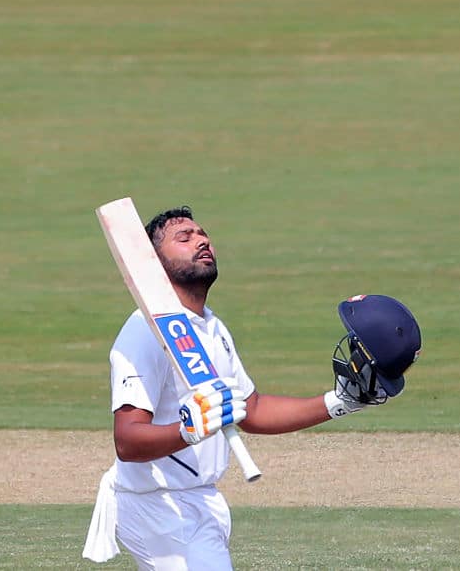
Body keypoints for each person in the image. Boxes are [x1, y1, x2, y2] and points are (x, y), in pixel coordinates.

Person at [83, 206, 422, 570]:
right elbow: (127, 441)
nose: (201, 240)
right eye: (184, 237)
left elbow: (252, 409)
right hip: (157, 507)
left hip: (201, 502)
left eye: (202, 234)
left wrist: (337, 402)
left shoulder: (211, 328)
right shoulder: (143, 334)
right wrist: (187, 431)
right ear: (152, 263)